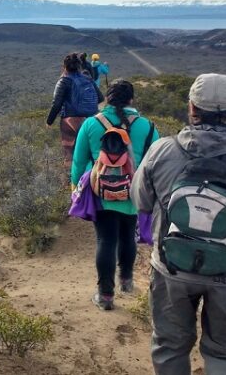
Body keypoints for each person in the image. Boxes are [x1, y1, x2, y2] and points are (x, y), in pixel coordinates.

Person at [131, 73, 226, 374]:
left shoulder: (161, 150)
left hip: (171, 268)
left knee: (170, 346)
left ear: (191, 107)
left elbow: (141, 202)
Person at [71, 79, 159, 310]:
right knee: (128, 235)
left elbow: (78, 162)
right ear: (132, 100)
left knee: (105, 240)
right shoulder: (148, 127)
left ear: (108, 98)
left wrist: (76, 190)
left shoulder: (91, 123)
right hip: (134, 193)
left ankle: (106, 296)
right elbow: (156, 164)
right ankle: (127, 281)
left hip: (101, 193)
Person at [47, 54, 104, 170]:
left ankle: (73, 180)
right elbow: (101, 98)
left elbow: (56, 103)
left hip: (71, 121)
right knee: (92, 152)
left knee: (71, 154)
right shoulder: (88, 78)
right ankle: (92, 179)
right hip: (94, 119)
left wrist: (49, 121)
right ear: (79, 66)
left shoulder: (64, 81)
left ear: (64, 67)